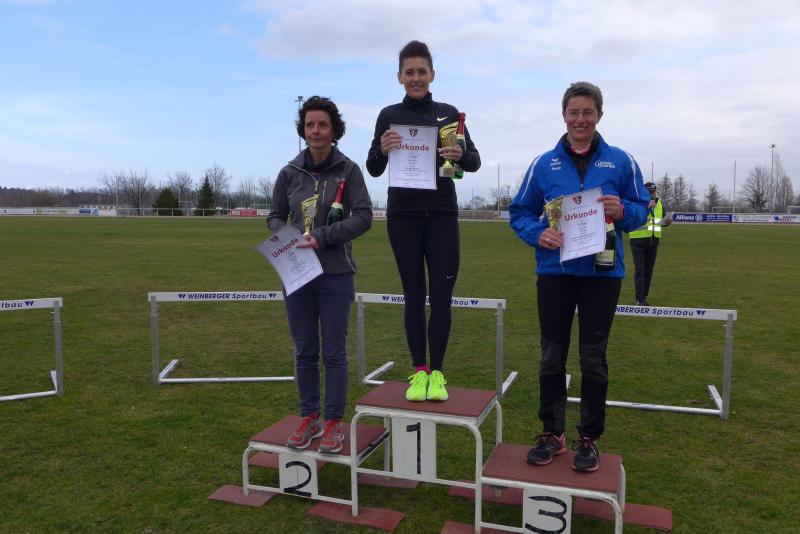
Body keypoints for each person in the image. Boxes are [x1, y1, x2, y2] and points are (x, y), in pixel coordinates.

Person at [509, 82, 649, 472]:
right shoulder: (543, 164)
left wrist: (624, 212)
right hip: (555, 272)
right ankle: (551, 433)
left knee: (593, 358)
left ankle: (589, 438)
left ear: (599, 115)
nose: (581, 119)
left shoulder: (621, 161)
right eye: (574, 112)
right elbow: (519, 212)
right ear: (564, 115)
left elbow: (641, 208)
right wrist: (538, 233)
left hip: (602, 273)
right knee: (551, 356)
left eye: (588, 112)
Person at [366, 40, 481, 402]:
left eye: (422, 71)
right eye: (409, 72)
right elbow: (373, 167)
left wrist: (459, 154)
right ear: (399, 76)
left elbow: (474, 161)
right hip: (403, 217)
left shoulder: (449, 114)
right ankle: (419, 371)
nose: (416, 78)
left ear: (432, 74)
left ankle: (438, 374)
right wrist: (382, 149)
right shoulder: (388, 115)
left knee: (442, 298)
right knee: (413, 295)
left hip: (442, 216)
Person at [267, 96, 372, 454]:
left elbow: (363, 217)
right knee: (305, 350)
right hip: (296, 273)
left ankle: (333, 423)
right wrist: (286, 235)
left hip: (335, 273)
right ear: (303, 129)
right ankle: (309, 417)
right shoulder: (289, 173)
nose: (316, 131)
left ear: (334, 129)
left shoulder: (349, 170)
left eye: (322, 124)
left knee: (334, 353)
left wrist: (323, 237)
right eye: (310, 124)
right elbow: (274, 215)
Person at [628, 181, 672, 306]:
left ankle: (644, 296)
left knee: (648, 271)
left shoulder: (659, 203)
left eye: (653, 191)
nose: (651, 194)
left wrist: (667, 222)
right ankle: (640, 298)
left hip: (653, 241)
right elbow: (632, 218)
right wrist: (646, 207)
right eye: (649, 191)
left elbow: (660, 221)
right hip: (638, 240)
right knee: (640, 271)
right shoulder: (637, 203)